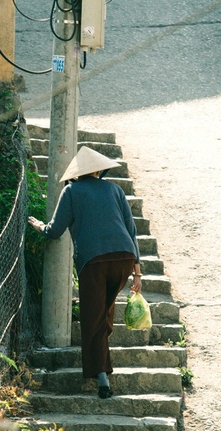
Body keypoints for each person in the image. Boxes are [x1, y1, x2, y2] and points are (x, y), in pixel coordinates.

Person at [28, 146, 143, 399]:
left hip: (94, 261)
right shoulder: (115, 190)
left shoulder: (71, 191)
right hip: (124, 258)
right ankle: (101, 367)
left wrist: (38, 226)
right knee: (104, 315)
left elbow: (55, 230)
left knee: (93, 319)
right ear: (99, 170)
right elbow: (131, 230)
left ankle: (100, 376)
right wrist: (137, 273)